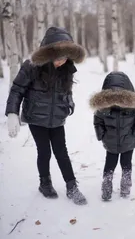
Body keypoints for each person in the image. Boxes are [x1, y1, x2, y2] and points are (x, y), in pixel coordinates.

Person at [5, 27, 87, 205]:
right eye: (58, 58)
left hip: (57, 118)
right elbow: (17, 89)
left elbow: (66, 91)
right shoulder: (31, 67)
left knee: (62, 152)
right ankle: (45, 183)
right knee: (44, 151)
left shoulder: (66, 69)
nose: (61, 61)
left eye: (65, 57)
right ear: (48, 54)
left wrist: (69, 102)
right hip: (36, 117)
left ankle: (72, 187)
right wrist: (12, 112)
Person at [89, 71, 135, 201]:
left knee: (126, 164)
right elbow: (97, 120)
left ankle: (125, 187)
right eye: (112, 96)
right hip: (110, 141)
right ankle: (106, 187)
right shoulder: (103, 105)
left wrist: (134, 135)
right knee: (110, 164)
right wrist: (102, 136)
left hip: (129, 142)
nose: (116, 99)